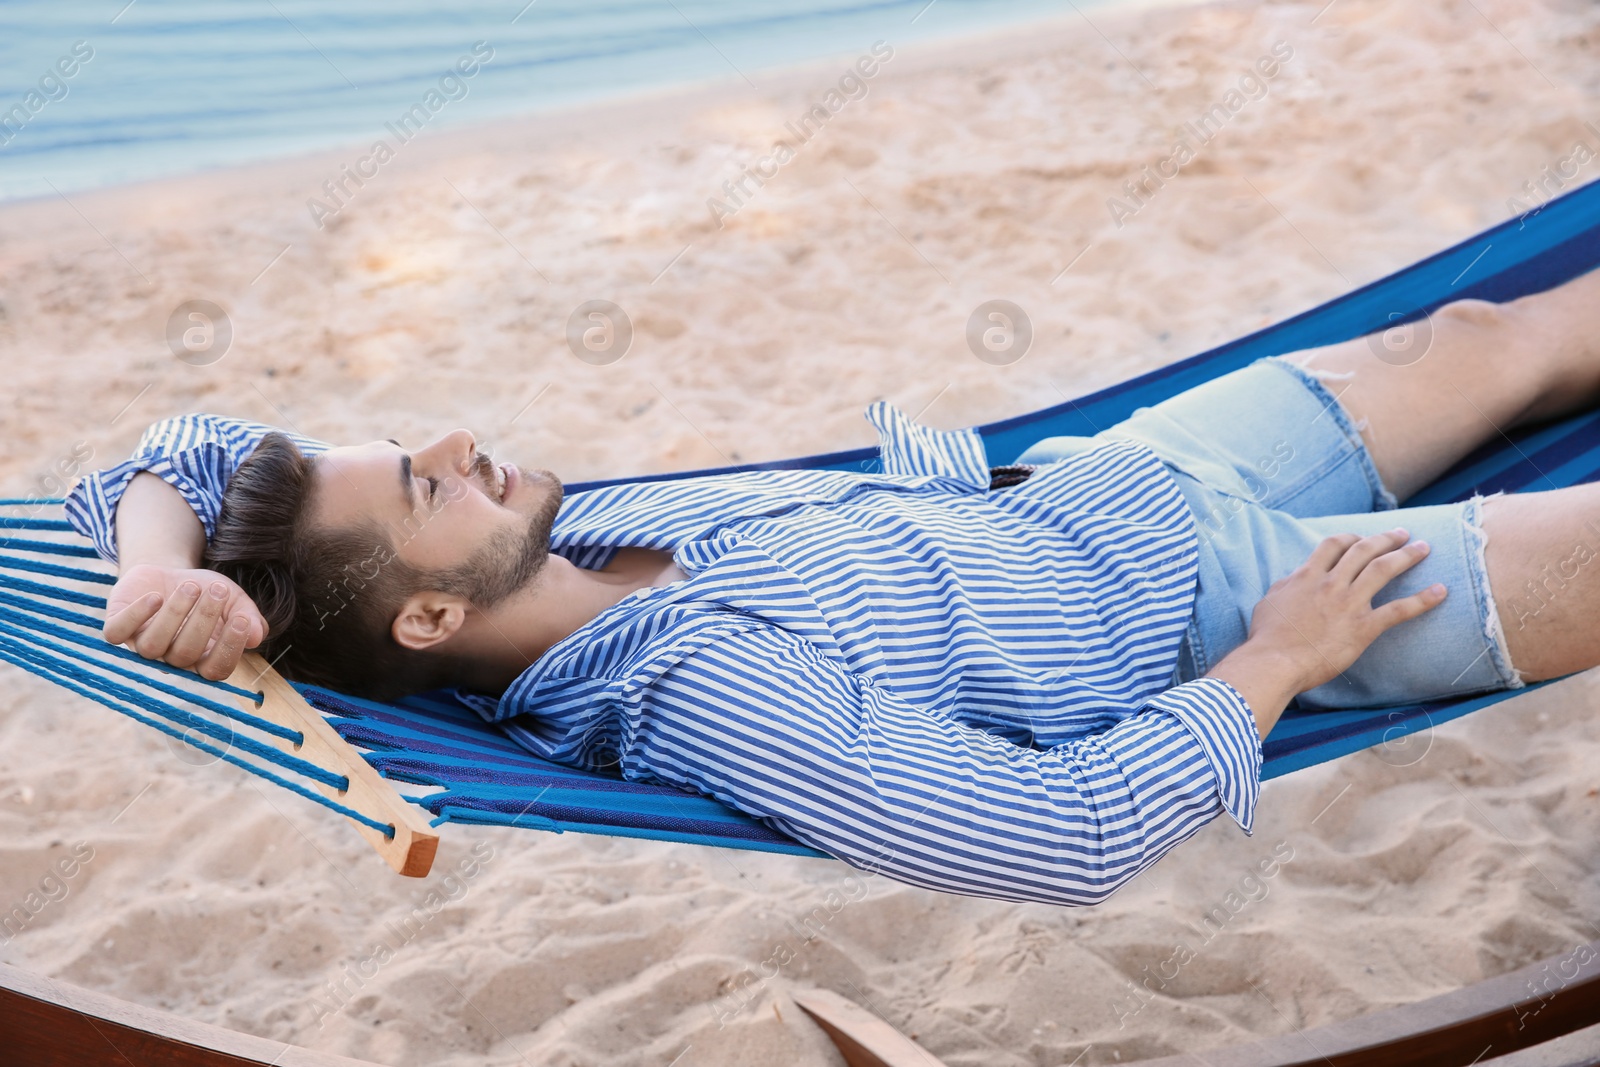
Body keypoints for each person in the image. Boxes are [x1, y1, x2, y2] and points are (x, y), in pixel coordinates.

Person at [66, 273, 1600, 907]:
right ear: (426, 622)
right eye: (424, 484)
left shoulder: (560, 541)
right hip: (1245, 601)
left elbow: (180, 449)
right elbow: (1048, 841)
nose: (461, 445)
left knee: (1485, 327)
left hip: (1105, 479)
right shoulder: (700, 694)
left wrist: (161, 564)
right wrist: (1278, 658)